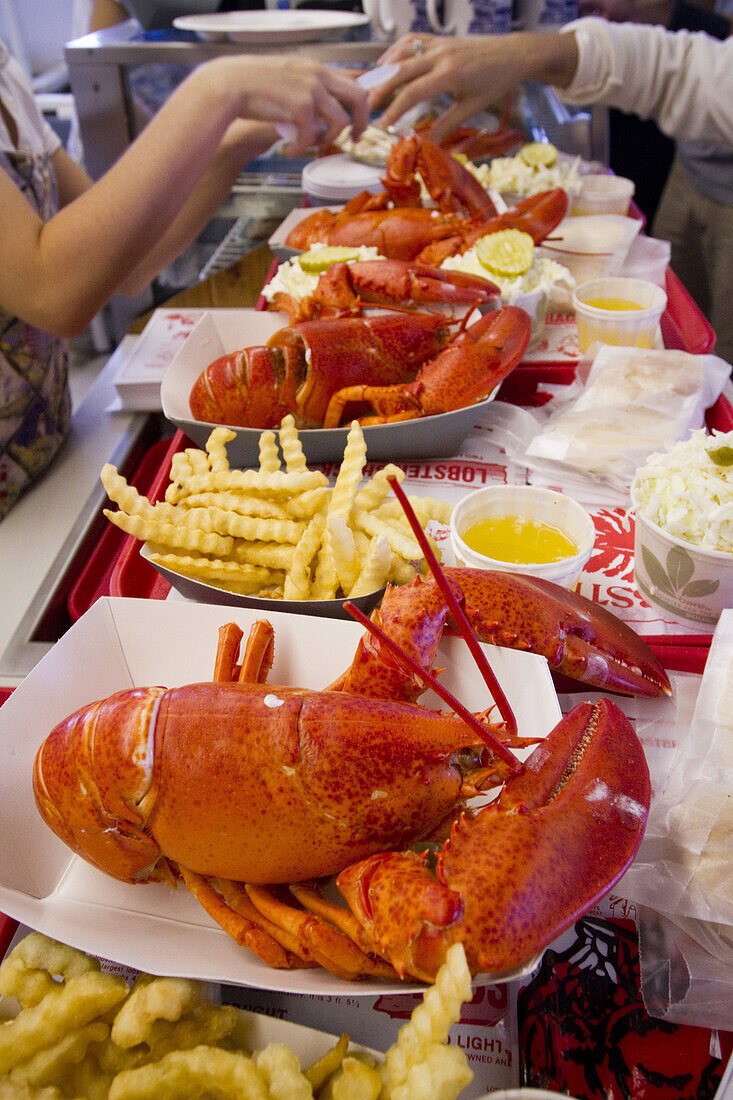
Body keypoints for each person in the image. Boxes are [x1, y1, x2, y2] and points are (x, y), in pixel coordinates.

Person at [0, 40, 367, 519]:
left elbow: (126, 262)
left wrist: (237, 140)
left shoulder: (7, 72)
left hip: (44, 460)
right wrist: (218, 87)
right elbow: (52, 292)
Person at [368, 19, 733, 361]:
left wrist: (521, 54)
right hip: (697, 166)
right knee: (687, 322)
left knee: (714, 343)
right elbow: (695, 74)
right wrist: (520, 53)